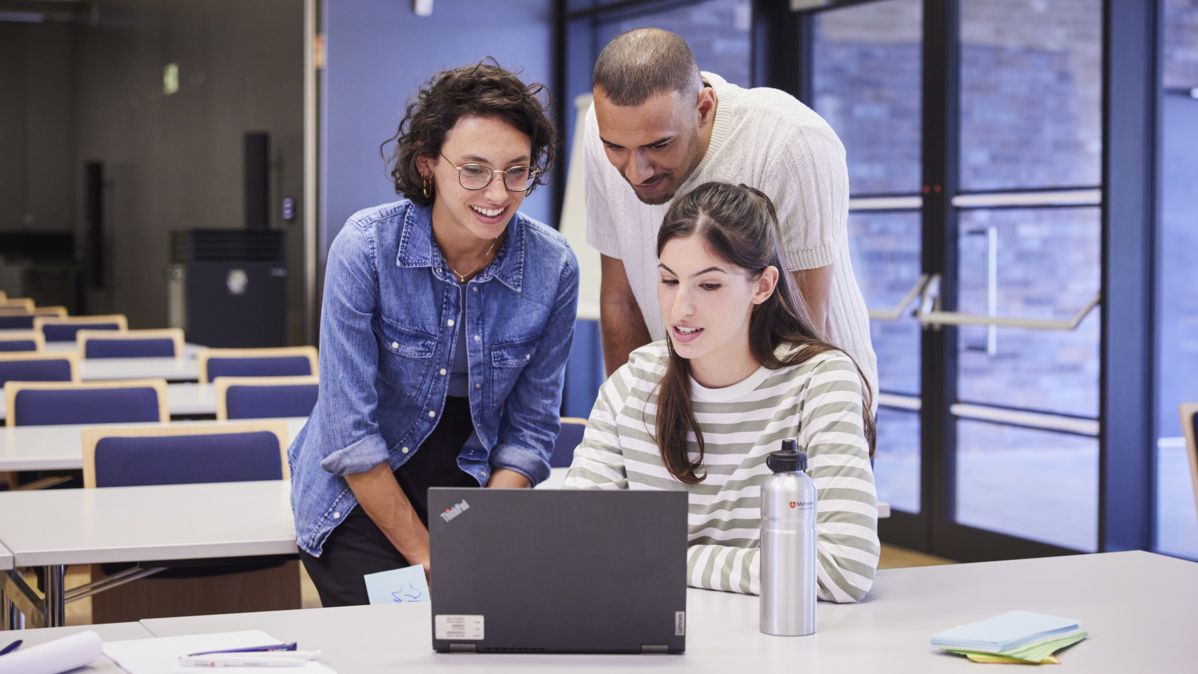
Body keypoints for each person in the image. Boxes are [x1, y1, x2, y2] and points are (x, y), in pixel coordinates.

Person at [289, 62, 579, 607]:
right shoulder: (366, 248)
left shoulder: (553, 266)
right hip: (362, 490)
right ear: (429, 164)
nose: (498, 193)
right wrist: (430, 556)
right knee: (398, 642)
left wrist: (476, 540)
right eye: (474, 170)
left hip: (474, 485)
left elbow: (531, 430)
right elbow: (349, 435)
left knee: (498, 629)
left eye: (517, 171)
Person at [564, 182, 879, 603]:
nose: (680, 309)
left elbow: (844, 568)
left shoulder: (819, 381)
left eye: (708, 286)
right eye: (669, 281)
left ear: (762, 286)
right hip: (659, 635)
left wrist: (666, 558)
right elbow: (573, 542)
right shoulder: (632, 384)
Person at [584, 28, 877, 405]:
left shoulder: (793, 142)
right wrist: (633, 422)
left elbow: (801, 327)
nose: (637, 171)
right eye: (617, 148)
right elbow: (621, 300)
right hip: (686, 401)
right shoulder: (602, 126)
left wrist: (736, 438)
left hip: (814, 402)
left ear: (703, 109)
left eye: (659, 145)